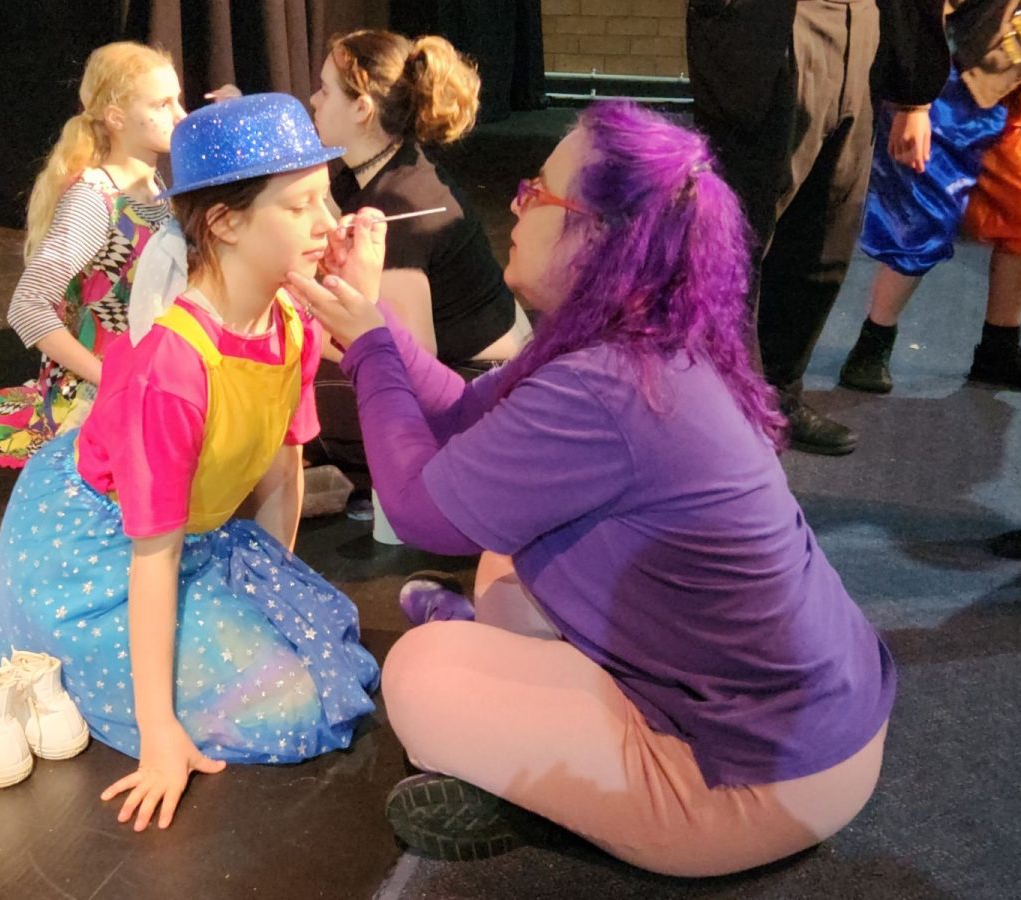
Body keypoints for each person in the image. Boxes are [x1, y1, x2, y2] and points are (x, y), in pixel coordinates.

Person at [287, 102, 895, 875]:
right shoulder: (625, 343)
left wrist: (370, 349)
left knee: (418, 673)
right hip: (813, 727)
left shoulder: (607, 384)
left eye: (537, 192)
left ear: (601, 237)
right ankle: (519, 713)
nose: (515, 203)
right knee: (503, 550)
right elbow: (461, 409)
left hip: (761, 781)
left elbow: (412, 508)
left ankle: (544, 785)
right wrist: (371, 321)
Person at [0, 94, 377, 828]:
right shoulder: (173, 365)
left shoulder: (290, 322)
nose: (329, 226)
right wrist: (159, 733)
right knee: (291, 707)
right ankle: (31, 641)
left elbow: (281, 472)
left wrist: (268, 583)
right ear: (225, 223)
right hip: (95, 547)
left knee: (328, 645)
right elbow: (152, 554)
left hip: (182, 532)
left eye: (327, 198)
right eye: (300, 207)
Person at [685, 0, 948, 455]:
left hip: (864, 24)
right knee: (740, 234)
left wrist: (915, 94)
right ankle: (722, 412)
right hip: (774, 26)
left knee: (826, 234)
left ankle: (779, 393)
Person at [0, 42, 182, 467]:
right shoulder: (95, 200)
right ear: (116, 117)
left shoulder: (153, 185)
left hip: (151, 376)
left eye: (177, 101)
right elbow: (28, 306)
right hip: (101, 397)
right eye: (163, 104)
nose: (179, 116)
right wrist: (112, 379)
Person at [841, 3, 1021, 395]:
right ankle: (873, 341)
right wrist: (914, 102)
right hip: (943, 78)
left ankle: (999, 348)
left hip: (1008, 79)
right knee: (923, 212)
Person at [312, 28, 531, 364]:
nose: (314, 100)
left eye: (325, 92)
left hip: (481, 378)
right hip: (489, 360)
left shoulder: (396, 204)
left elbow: (412, 355)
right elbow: (322, 215)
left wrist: (297, 321)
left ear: (361, 109)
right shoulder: (386, 165)